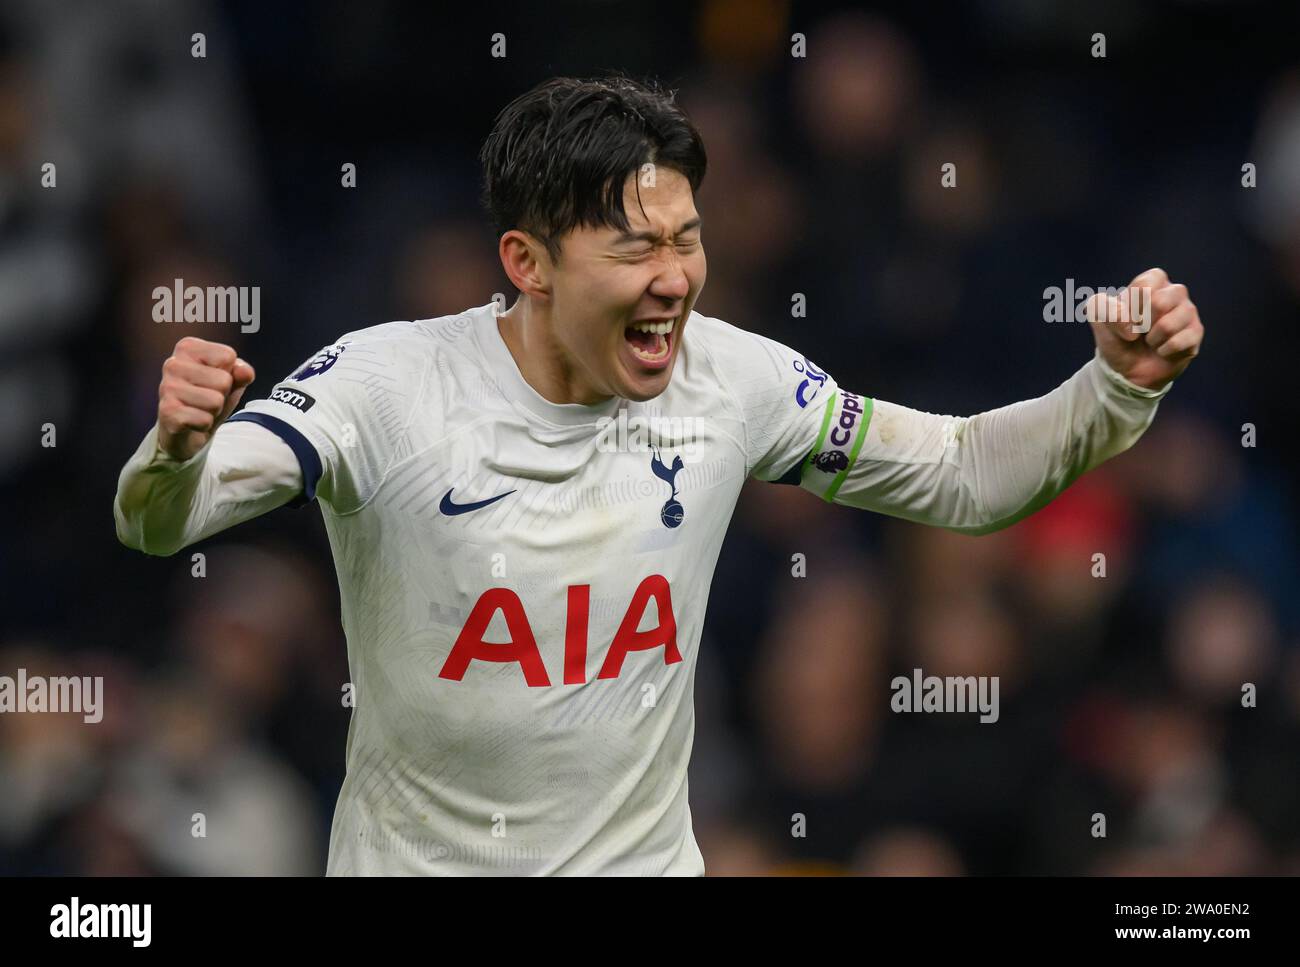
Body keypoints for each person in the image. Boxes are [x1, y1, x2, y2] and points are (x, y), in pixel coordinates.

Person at [113, 75, 1204, 875]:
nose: (677, 278)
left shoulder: (729, 379)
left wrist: (1112, 391)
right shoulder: (389, 385)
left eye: (687, 238)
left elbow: (963, 474)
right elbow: (168, 521)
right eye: (635, 248)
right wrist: (172, 451)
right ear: (527, 264)